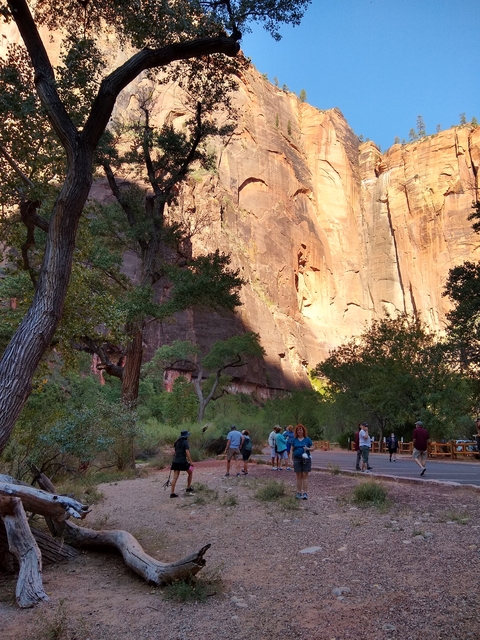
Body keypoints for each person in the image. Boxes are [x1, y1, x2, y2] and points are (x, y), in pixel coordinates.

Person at [292, 424, 314, 499]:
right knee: (298, 476)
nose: (299, 431)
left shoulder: (307, 439)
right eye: (298, 430)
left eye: (301, 430)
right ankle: (298, 492)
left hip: (306, 459)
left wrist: (307, 449)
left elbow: (313, 448)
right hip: (297, 459)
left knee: (305, 475)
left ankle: (305, 493)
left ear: (303, 431)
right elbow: (292, 450)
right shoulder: (294, 440)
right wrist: (291, 460)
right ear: (296, 432)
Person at [170, 430, 194, 498]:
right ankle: (188, 487)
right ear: (186, 436)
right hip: (182, 462)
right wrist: (191, 461)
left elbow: (175, 452)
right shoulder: (185, 442)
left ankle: (172, 493)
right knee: (191, 471)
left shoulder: (177, 442)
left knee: (175, 477)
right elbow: (187, 452)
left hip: (176, 462)